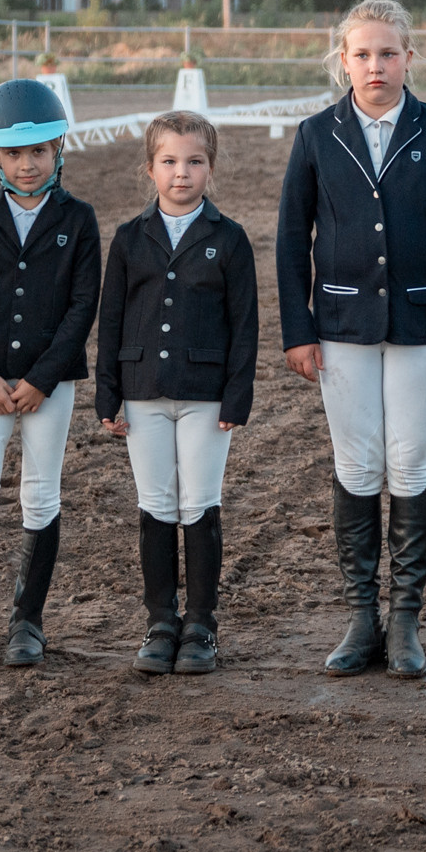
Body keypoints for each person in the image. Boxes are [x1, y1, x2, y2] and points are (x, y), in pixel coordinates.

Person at [277, 0, 426, 678]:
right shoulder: (315, 135)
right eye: (362, 54)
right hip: (340, 329)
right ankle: (362, 617)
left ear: (409, 59)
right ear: (344, 60)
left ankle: (405, 623)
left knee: (411, 463)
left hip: (423, 329)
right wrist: (299, 329)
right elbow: (289, 240)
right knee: (358, 465)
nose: (375, 65)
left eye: (388, 53)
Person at [0, 79, 101, 668]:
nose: (27, 164)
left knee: (40, 496)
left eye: (38, 151)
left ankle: (27, 621)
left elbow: (83, 305)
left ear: (58, 148)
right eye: (14, 153)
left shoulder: (78, 220)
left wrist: (43, 377)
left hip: (48, 384)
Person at [96, 111, 259, 676]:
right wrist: (107, 397)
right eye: (169, 162)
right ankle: (160, 622)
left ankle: (200, 625)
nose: (181, 173)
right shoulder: (127, 239)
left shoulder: (229, 239)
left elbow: (245, 326)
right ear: (150, 169)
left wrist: (237, 398)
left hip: (206, 395)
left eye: (193, 162)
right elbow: (111, 319)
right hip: (142, 392)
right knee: (156, 507)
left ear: (209, 168)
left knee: (199, 504)